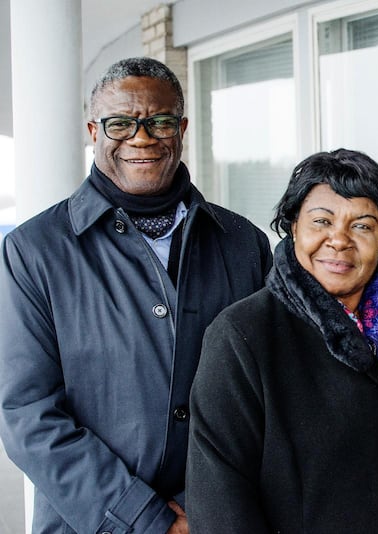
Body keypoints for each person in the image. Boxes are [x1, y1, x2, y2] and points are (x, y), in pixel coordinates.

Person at [0, 57, 272, 533]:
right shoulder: (35, 250)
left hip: (219, 519)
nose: (141, 137)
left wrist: (202, 509)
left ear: (182, 128)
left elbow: (269, 392)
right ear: (93, 130)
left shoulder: (243, 244)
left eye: (159, 121)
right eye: (120, 123)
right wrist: (148, 520)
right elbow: (28, 414)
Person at [185, 148, 378, 533]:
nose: (338, 240)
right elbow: (221, 507)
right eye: (321, 221)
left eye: (363, 226)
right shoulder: (243, 336)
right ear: (293, 227)